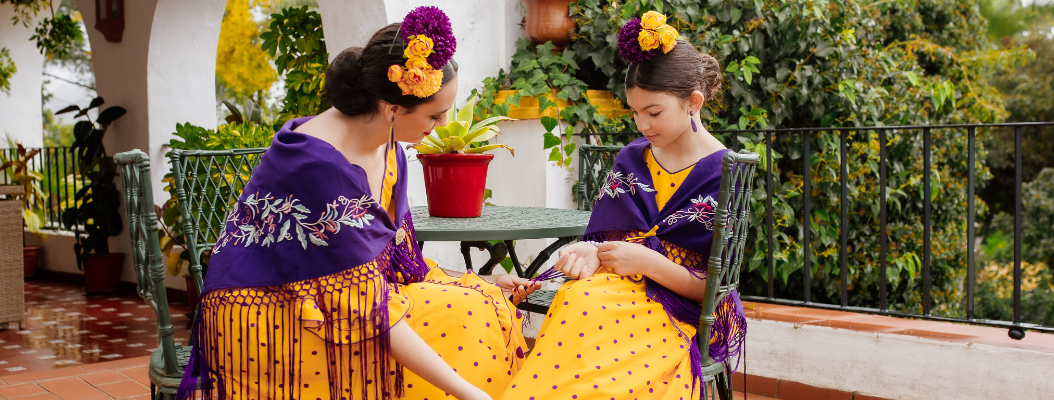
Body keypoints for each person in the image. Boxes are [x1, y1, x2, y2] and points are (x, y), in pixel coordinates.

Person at [177, 7, 537, 400]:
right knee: (465, 319)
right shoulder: (317, 168)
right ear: (392, 108)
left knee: (479, 302)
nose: (443, 124)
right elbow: (368, 309)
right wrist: (468, 393)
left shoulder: (388, 148)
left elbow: (394, 265)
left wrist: (483, 282)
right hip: (269, 321)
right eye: (435, 116)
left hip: (338, 300)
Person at [500, 11, 748, 400]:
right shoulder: (632, 158)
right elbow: (608, 242)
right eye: (634, 112)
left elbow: (711, 291)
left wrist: (648, 263)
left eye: (654, 112)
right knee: (575, 299)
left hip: (675, 311)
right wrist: (589, 251)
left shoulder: (724, 172)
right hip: (612, 292)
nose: (641, 125)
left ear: (693, 103)